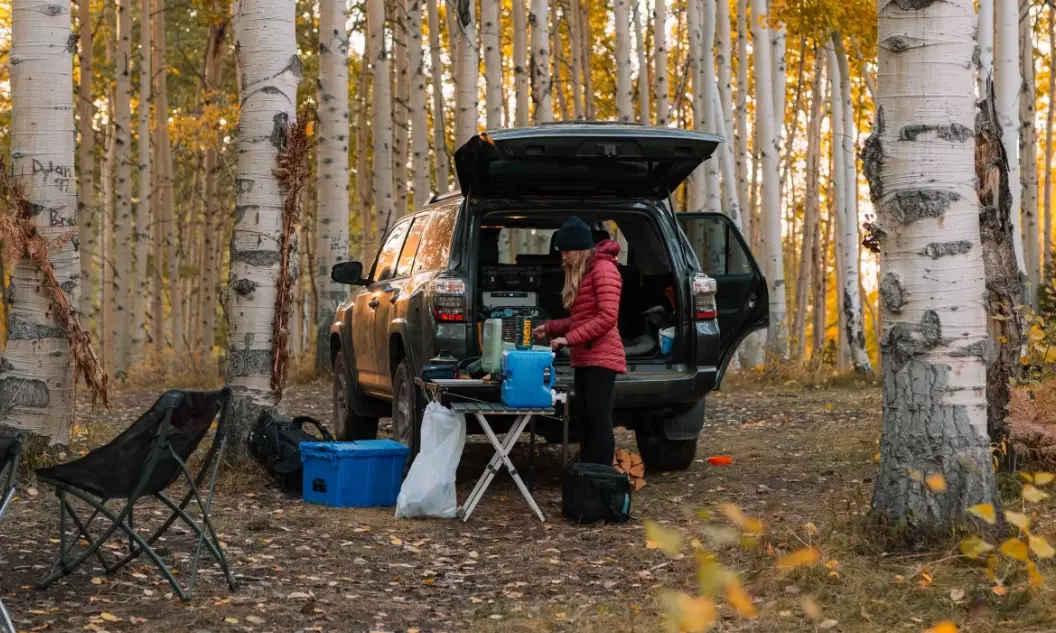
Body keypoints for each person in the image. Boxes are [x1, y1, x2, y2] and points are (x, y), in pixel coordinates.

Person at [534, 217, 625, 465]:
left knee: (599, 422)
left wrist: (567, 339)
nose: (563, 257)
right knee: (586, 420)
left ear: (580, 248)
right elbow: (581, 319)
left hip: (601, 358)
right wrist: (549, 328)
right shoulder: (588, 272)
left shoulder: (604, 271)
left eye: (566, 251)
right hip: (586, 357)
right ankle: (587, 474)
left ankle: (601, 477)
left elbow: (607, 318)